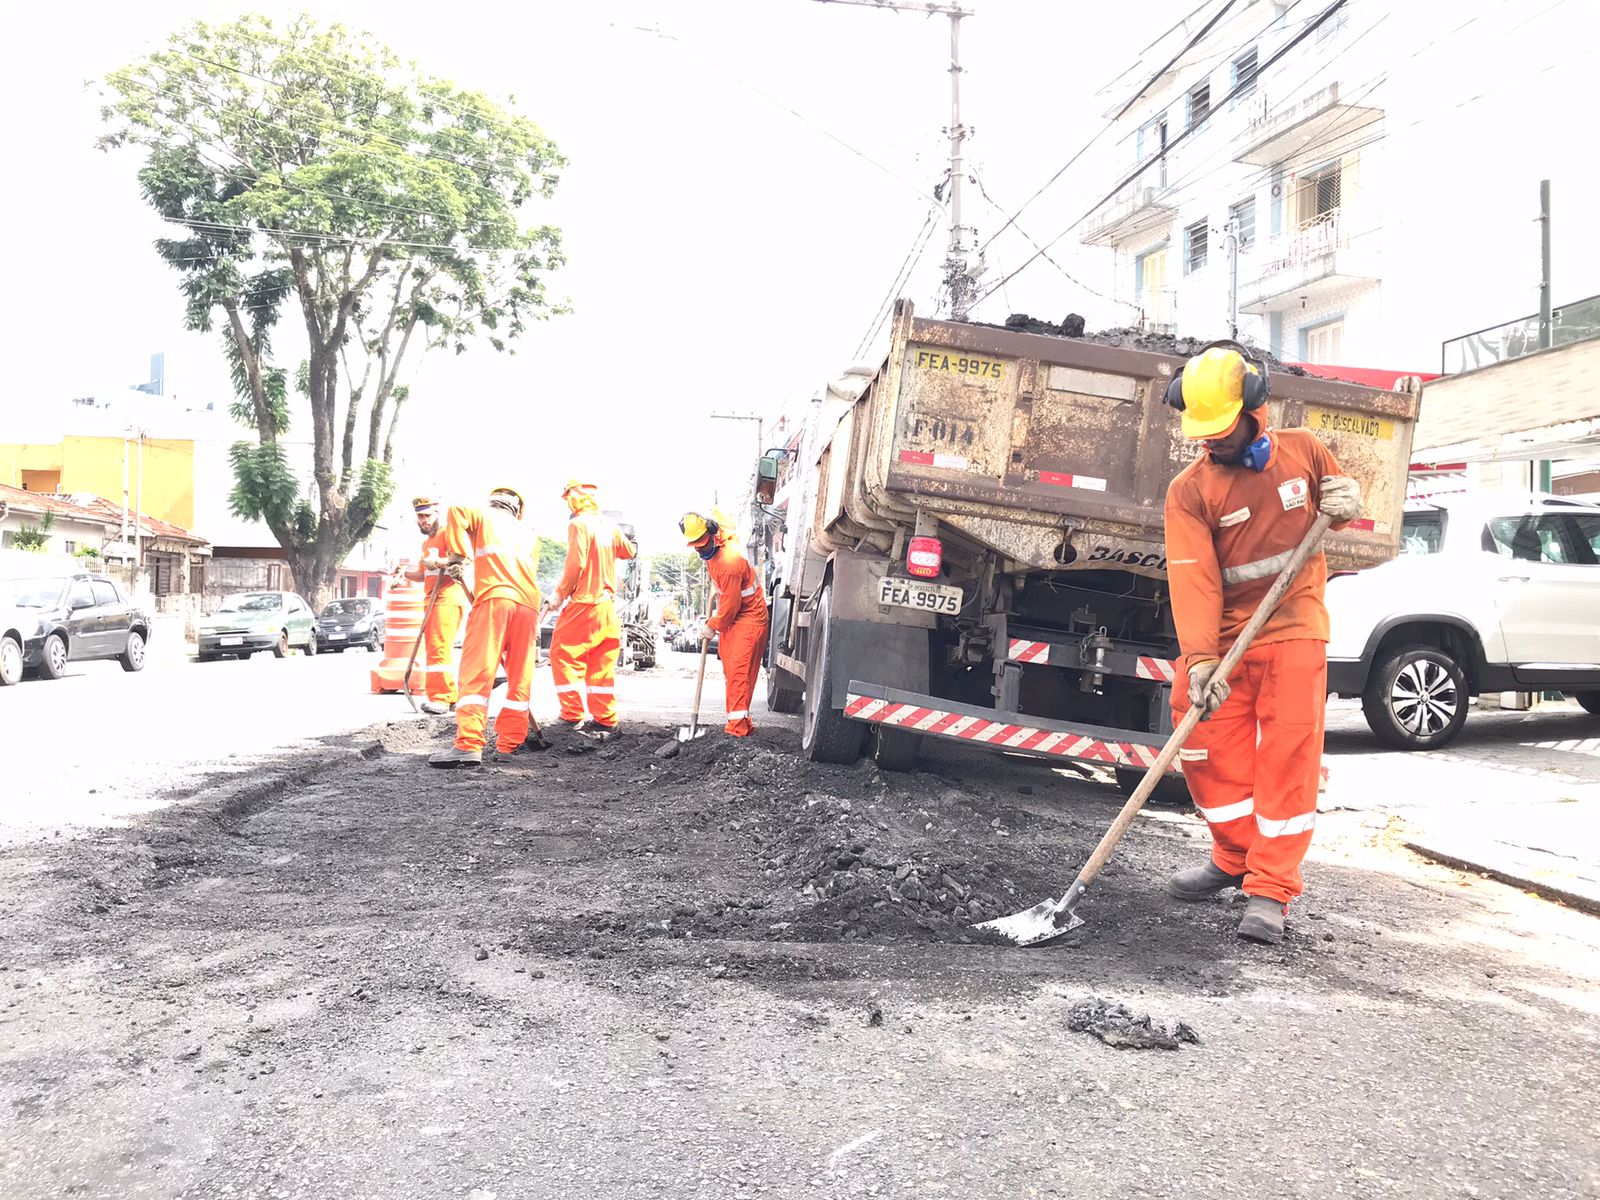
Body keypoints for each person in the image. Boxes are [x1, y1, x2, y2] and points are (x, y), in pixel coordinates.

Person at [1161, 343, 1363, 944]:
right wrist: (1200, 661)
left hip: (1296, 622)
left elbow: (1340, 502)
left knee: (1287, 756)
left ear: (1255, 409)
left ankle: (1270, 889)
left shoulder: (1304, 453)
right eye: (1205, 433)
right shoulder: (1190, 490)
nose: (1213, 443)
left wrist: (1349, 504)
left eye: (1221, 431)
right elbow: (1194, 578)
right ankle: (1233, 855)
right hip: (1226, 637)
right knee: (1198, 735)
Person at [428, 486, 543, 768]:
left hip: (494, 600)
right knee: (519, 677)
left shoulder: (483, 515)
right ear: (517, 510)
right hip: (528, 606)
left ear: (493, 502)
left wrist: (457, 558)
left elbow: (455, 510)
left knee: (476, 673)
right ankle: (509, 744)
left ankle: (468, 745)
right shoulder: (529, 534)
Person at [544, 481, 637, 743]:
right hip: (607, 607)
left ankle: (572, 714)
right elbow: (629, 552)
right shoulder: (609, 526)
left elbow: (576, 564)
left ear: (574, 499)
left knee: (562, 654)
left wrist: (559, 594)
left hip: (584, 602)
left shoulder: (578, 525)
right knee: (600, 663)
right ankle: (606, 719)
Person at [680, 511, 769, 738]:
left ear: (713, 534)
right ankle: (742, 722)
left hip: (748, 617)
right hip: (737, 618)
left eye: (703, 544)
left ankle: (736, 730)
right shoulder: (717, 551)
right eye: (696, 546)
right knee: (733, 673)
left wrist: (712, 624)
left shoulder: (729, 561)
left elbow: (729, 609)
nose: (700, 550)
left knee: (739, 674)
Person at [396, 496, 468, 715]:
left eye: (428, 515)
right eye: (420, 516)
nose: (424, 520)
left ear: (438, 514)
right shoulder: (427, 543)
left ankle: (441, 697)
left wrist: (437, 562)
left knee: (438, 648)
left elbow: (461, 558)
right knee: (437, 648)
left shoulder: (448, 534)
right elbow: (423, 573)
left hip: (447, 597)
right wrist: (403, 573)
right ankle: (450, 695)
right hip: (432, 599)